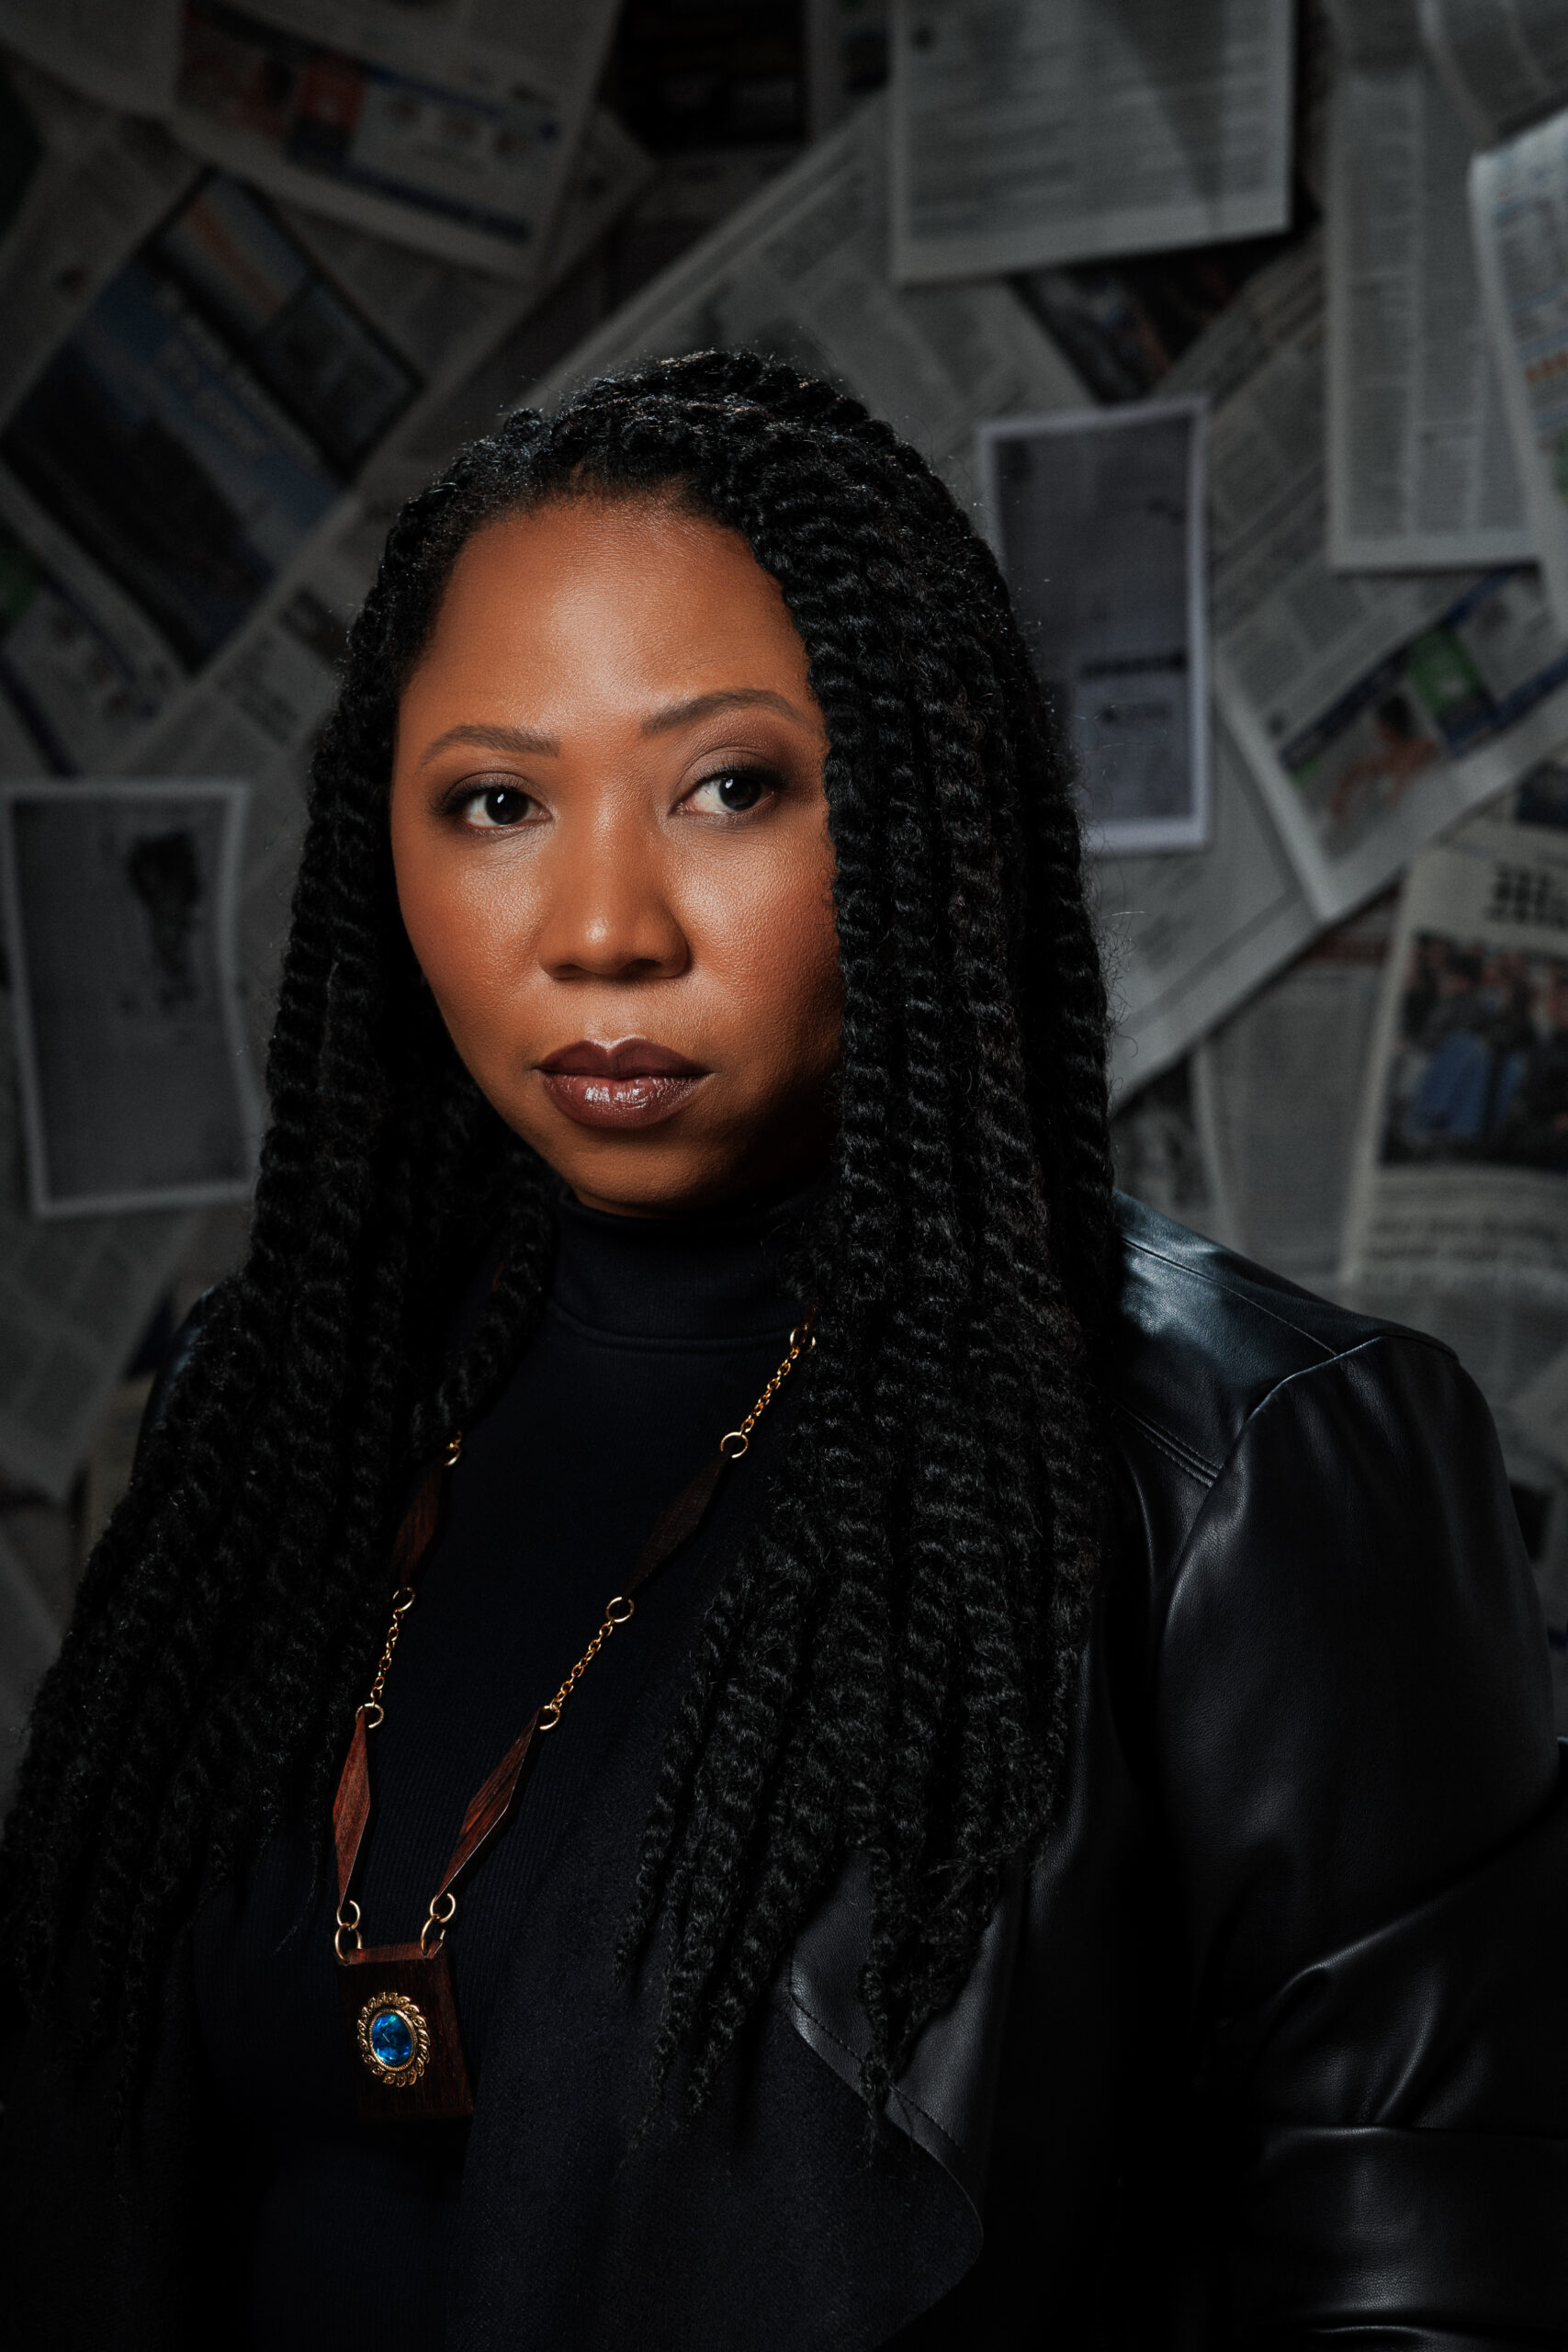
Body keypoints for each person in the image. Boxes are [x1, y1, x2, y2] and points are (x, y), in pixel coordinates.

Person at [1, 354, 1563, 2350]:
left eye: (729, 787)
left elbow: (1433, 2304)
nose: (601, 927)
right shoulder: (272, 1404)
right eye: (496, 800)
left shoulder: (1250, 1470)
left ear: (921, 814)